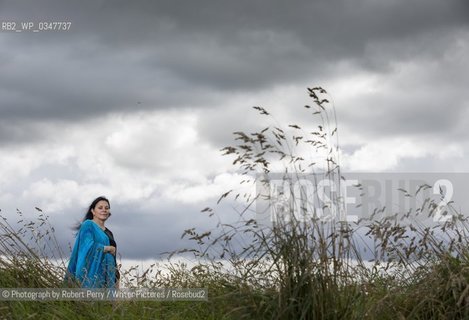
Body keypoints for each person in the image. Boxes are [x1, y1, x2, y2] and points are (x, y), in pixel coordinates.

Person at [65, 196, 119, 288]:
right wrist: (106, 248)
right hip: (91, 277)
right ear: (93, 211)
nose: (104, 210)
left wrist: (116, 280)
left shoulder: (109, 233)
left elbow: (114, 260)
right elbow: (86, 247)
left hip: (109, 277)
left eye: (107, 208)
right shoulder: (88, 225)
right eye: (100, 208)